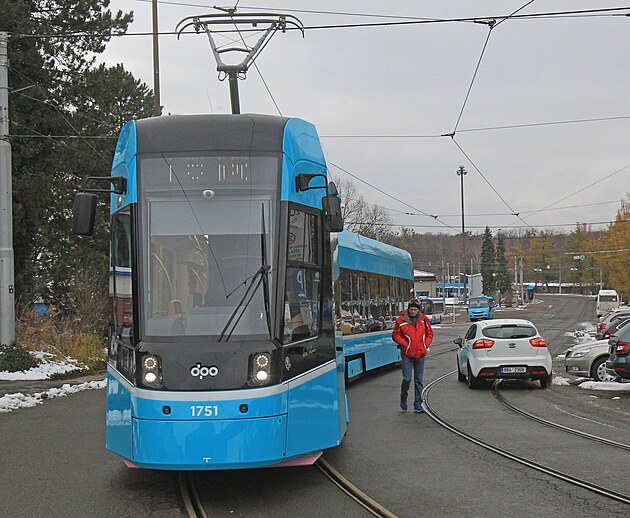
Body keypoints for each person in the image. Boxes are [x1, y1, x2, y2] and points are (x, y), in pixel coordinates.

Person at [392, 298, 434, 413]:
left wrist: (425, 344)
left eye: (415, 309)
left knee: (418, 380)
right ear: (408, 309)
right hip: (407, 354)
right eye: (411, 309)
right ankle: (403, 397)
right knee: (407, 378)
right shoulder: (401, 320)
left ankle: (417, 404)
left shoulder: (424, 319)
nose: (413, 312)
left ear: (418, 310)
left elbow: (429, 333)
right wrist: (405, 344)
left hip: (420, 353)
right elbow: (395, 335)